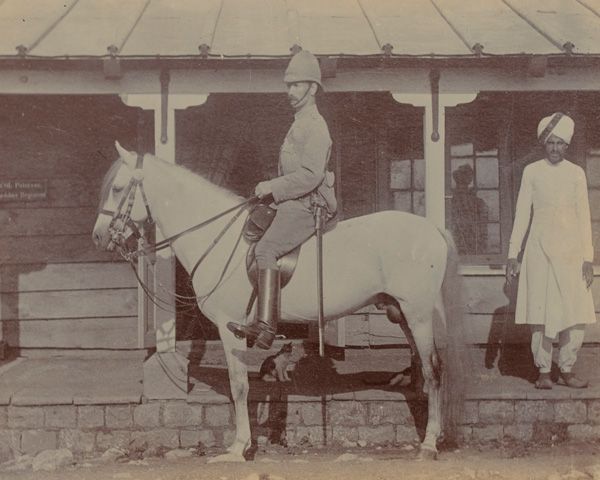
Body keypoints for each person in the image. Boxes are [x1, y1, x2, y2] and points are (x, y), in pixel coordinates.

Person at [228, 50, 337, 349]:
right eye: (288, 85)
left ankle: (265, 327)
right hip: (291, 200)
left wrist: (273, 186)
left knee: (266, 249)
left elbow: (311, 175)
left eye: (297, 85)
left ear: (313, 88)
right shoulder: (298, 123)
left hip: (308, 203)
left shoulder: (316, 126)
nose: (290, 91)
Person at [506, 112, 595, 389]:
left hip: (571, 252)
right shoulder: (532, 171)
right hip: (539, 250)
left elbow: (584, 215)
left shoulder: (576, 174)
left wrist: (588, 258)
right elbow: (522, 213)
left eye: (560, 143)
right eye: (550, 143)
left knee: (575, 312)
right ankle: (544, 371)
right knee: (541, 312)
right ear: (543, 144)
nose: (555, 148)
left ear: (567, 146)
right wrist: (513, 253)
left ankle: (567, 368)